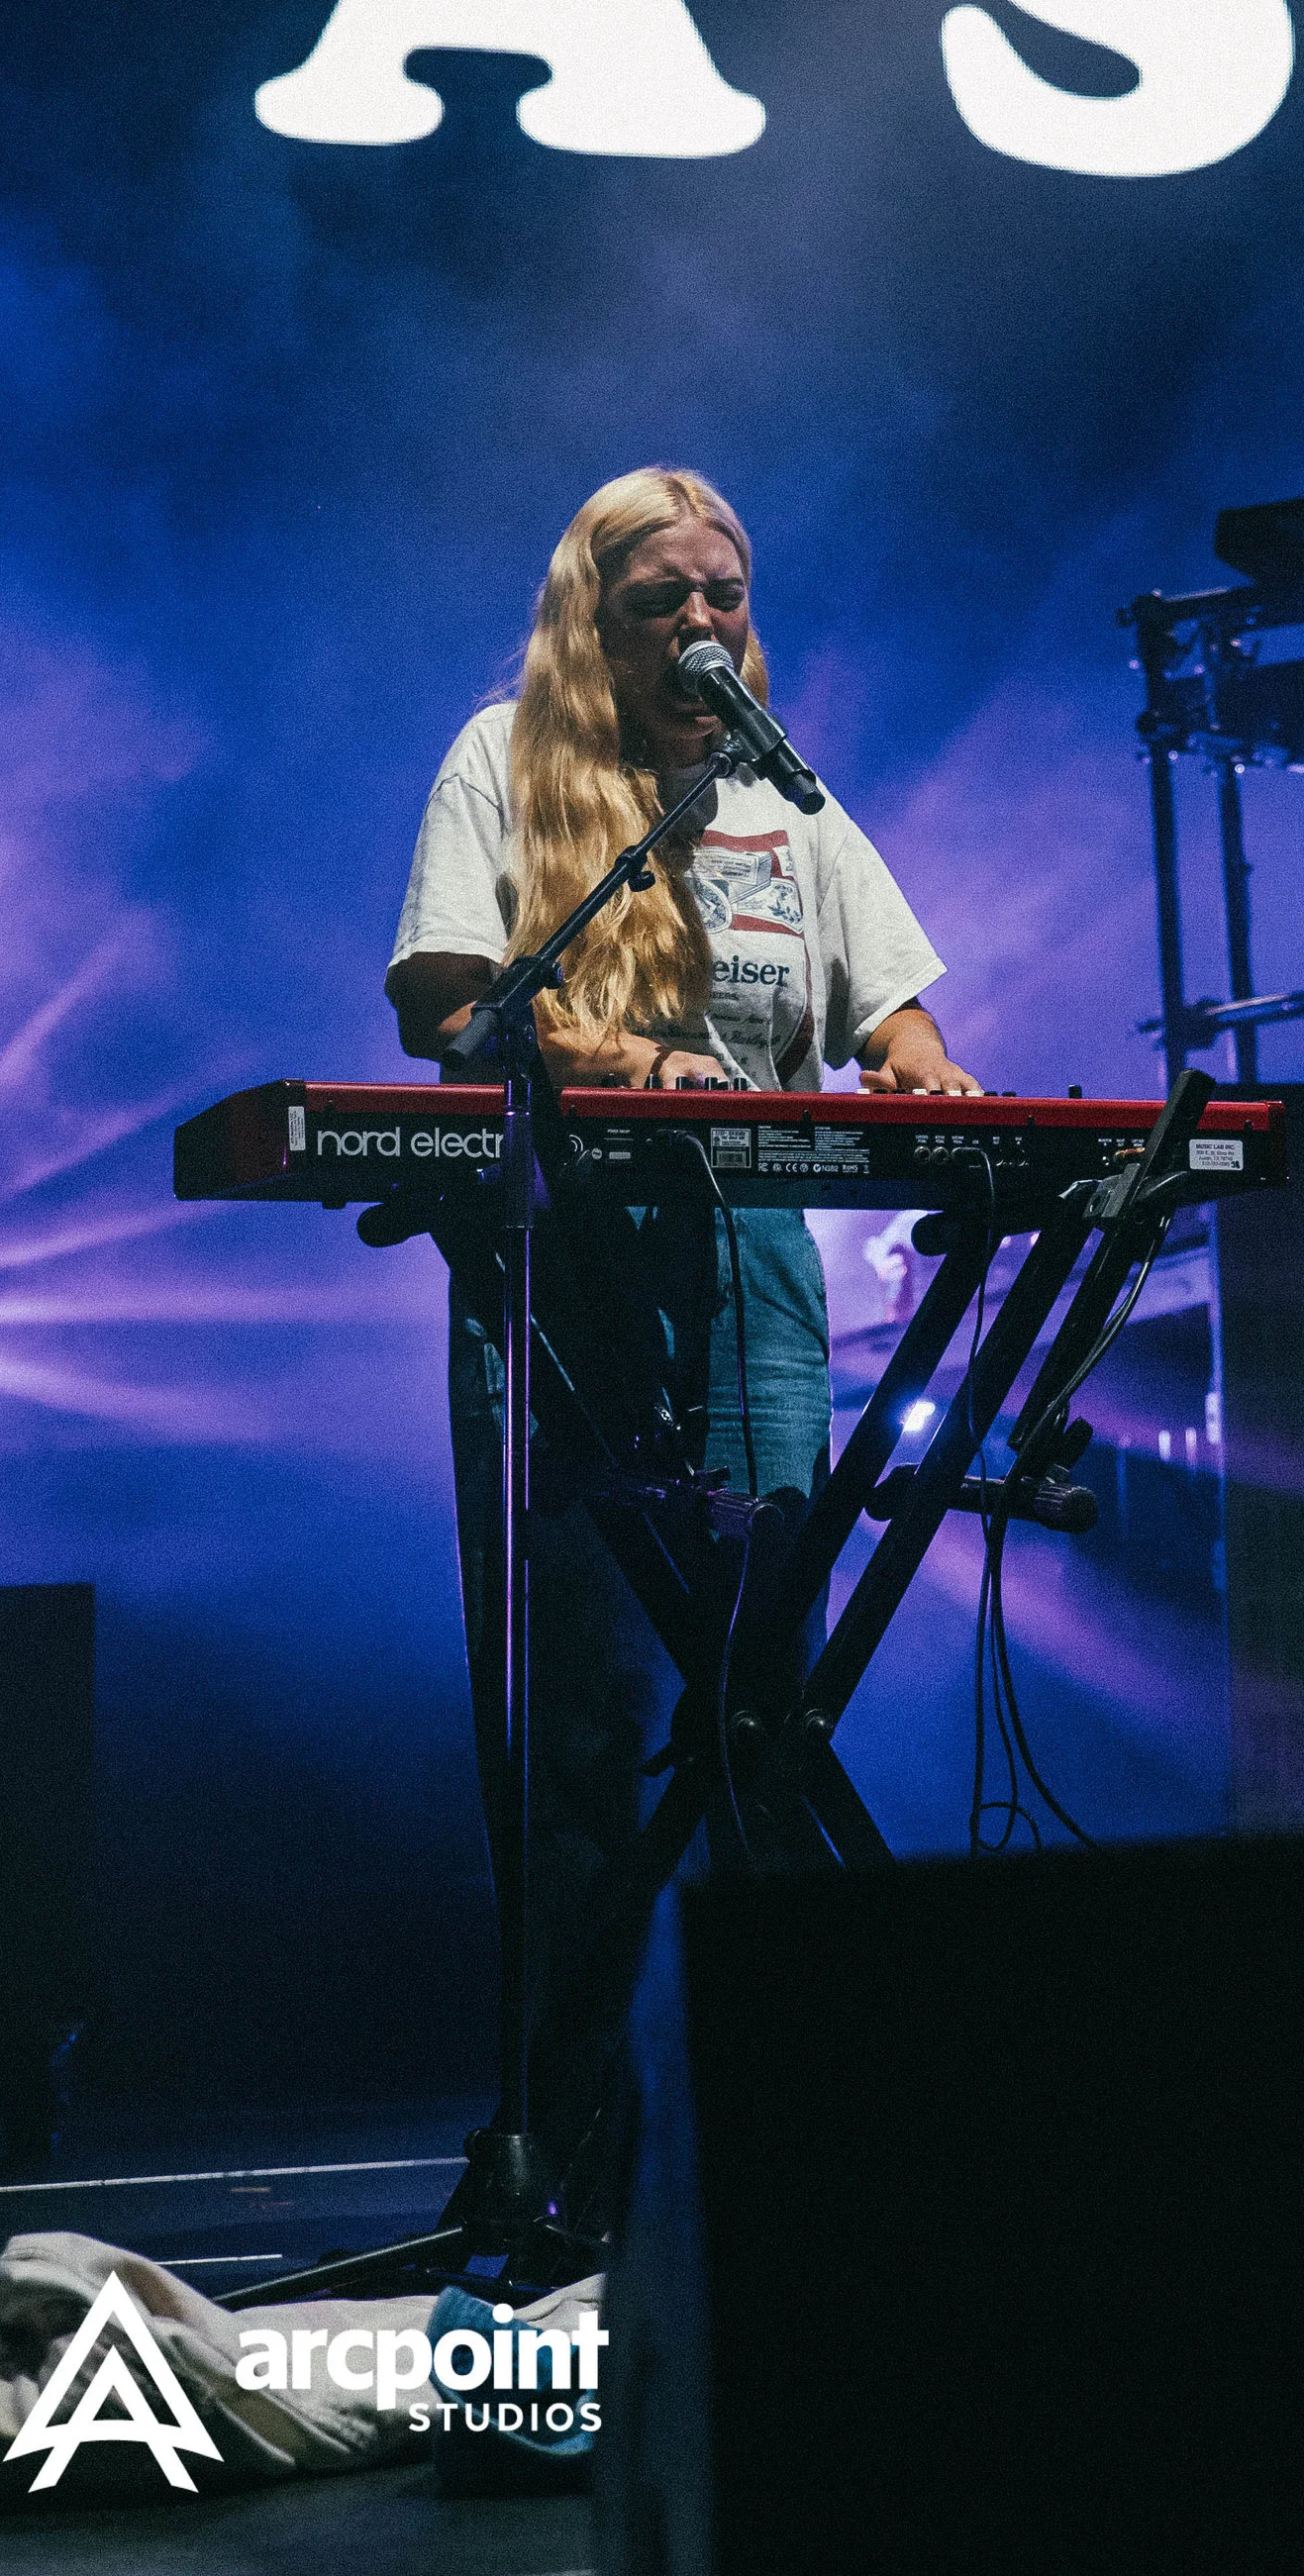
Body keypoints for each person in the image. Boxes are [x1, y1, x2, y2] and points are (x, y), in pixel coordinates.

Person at [386, 464, 978, 2202]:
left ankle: (780, 2134)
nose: (703, 623)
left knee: (755, 1707)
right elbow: (440, 1001)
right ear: (598, 619)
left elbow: (902, 1002)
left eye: (723, 592)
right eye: (664, 601)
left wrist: (925, 1067)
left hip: (755, 1287)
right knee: (578, 1722)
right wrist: (606, 1058)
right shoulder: (502, 758)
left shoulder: (788, 801)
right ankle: (572, 2134)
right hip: (564, 1275)